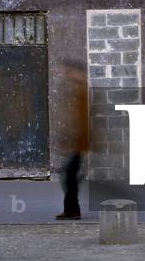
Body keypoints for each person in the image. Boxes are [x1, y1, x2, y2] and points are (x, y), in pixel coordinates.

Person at [55, 59, 89, 220]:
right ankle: (72, 209)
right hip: (79, 142)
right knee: (70, 175)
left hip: (80, 142)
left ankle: (72, 210)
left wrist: (72, 139)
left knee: (69, 176)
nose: (67, 75)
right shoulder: (79, 90)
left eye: (69, 72)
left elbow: (82, 119)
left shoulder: (83, 91)